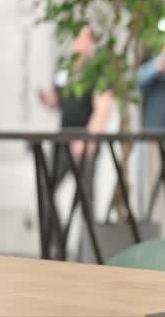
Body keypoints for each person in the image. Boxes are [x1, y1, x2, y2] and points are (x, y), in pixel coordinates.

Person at [38, 25, 114, 206]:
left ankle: (86, 235)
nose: (78, 42)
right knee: (45, 187)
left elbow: (102, 110)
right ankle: (53, 234)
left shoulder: (98, 72)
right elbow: (59, 100)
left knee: (86, 198)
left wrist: (86, 139)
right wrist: (48, 99)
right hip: (63, 140)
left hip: (84, 143)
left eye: (84, 38)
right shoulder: (65, 70)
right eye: (77, 37)